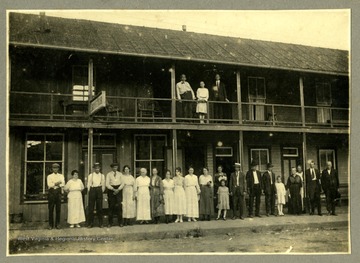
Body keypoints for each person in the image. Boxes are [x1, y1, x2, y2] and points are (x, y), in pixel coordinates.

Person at [87, 162, 105, 228]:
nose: (97, 169)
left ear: (100, 168)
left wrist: (101, 191)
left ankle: (100, 223)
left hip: (99, 190)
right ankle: (90, 223)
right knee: (91, 207)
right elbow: (88, 184)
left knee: (99, 207)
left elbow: (103, 184)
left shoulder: (102, 175)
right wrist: (90, 191)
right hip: (92, 190)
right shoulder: (91, 175)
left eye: (98, 168)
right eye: (96, 168)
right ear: (94, 169)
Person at [47, 163, 65, 230]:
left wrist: (55, 184)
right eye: (54, 168)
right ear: (52, 169)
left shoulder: (61, 176)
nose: (55, 169)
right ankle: (50, 225)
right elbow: (49, 184)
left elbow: (63, 184)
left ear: (58, 169)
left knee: (58, 209)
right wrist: (57, 183)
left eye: (56, 168)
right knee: (51, 209)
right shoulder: (49, 176)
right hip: (51, 193)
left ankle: (58, 224)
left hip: (58, 193)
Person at [106, 162, 124, 227]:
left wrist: (118, 189)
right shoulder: (109, 174)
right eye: (113, 167)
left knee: (119, 207)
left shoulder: (120, 174)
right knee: (111, 206)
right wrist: (113, 189)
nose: (115, 168)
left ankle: (120, 222)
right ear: (112, 168)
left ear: (117, 167)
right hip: (111, 190)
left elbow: (123, 183)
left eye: (116, 167)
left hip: (119, 190)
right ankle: (110, 223)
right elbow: (107, 184)